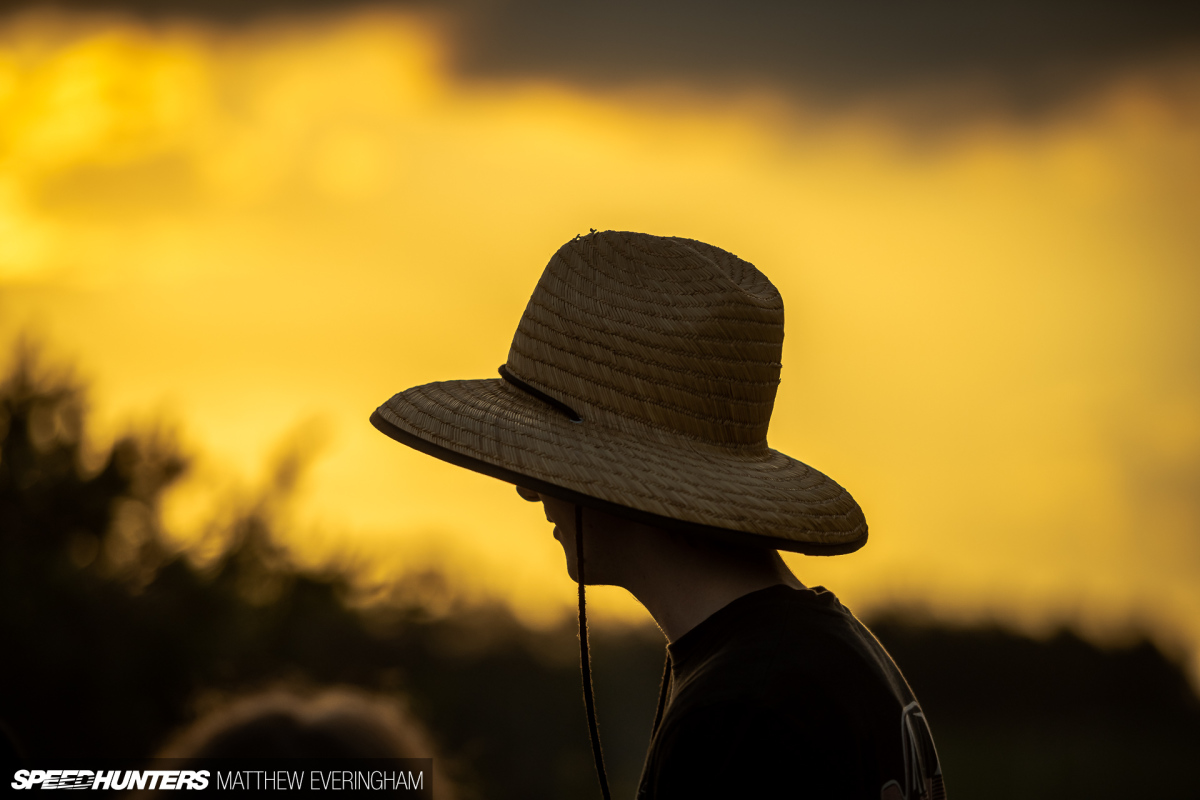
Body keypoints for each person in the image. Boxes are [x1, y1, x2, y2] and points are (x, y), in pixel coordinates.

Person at [372, 230, 945, 799]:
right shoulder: (824, 665)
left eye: (548, 461)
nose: (527, 490)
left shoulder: (738, 712)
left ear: (611, 476)